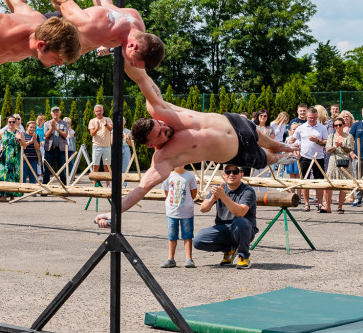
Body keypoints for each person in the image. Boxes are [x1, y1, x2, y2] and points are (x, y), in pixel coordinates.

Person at [94, 65, 296, 228]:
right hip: (237, 152)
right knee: (267, 158)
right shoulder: (163, 159)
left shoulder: (160, 110)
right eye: (161, 134)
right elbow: (140, 189)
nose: (166, 128)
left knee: (266, 140)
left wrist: (119, 51)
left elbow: (141, 77)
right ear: (151, 145)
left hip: (234, 123)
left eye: (161, 125)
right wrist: (112, 213)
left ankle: (282, 147)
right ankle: (280, 157)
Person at [36, 0, 165, 68]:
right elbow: (63, 2)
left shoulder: (136, 22)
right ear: (133, 46)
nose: (131, 64)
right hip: (54, 29)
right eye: (133, 62)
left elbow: (107, 4)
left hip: (65, 49)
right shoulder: (94, 26)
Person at [193, 164, 257, 269]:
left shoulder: (248, 191)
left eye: (235, 172)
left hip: (244, 229)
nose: (231, 175)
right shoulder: (219, 188)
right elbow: (203, 209)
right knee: (198, 241)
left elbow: (240, 212)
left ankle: (244, 256)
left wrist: (223, 196)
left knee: (240, 222)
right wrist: (213, 199)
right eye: (228, 172)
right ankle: (229, 249)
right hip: (224, 228)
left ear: (241, 175)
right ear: (224, 175)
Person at [161, 165, 198, 269]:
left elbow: (193, 193)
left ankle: (189, 258)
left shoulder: (190, 177)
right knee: (172, 234)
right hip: (172, 210)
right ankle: (171, 258)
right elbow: (166, 192)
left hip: (186, 210)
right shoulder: (168, 176)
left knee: (187, 234)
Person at [294, 107, 329, 212]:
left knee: (319, 182)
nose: (312, 120)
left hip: (319, 157)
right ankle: (306, 204)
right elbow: (294, 139)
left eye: (314, 118)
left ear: (317, 117)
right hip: (305, 157)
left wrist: (317, 141)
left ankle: (319, 203)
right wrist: (296, 150)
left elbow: (326, 141)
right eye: (309, 118)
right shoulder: (301, 128)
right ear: (306, 117)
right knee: (305, 181)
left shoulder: (322, 128)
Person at [325, 116, 355, 213]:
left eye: (340, 125)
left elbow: (350, 149)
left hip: (344, 161)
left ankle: (340, 207)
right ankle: (327, 206)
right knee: (328, 185)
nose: (338, 127)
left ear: (343, 125)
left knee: (343, 185)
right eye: (336, 125)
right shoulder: (331, 136)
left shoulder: (349, 136)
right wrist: (334, 147)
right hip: (333, 161)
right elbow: (327, 150)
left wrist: (342, 146)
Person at [0, 116, 25, 202]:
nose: (11, 124)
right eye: (10, 122)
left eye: (13, 122)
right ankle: (3, 196)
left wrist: (20, 140)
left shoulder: (19, 133)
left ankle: (12, 195)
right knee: (2, 175)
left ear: (16, 123)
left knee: (13, 176)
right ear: (7, 123)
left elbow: (24, 146)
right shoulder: (3, 132)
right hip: (4, 158)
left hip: (15, 158)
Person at [43, 106, 70, 185]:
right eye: (54, 112)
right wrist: (52, 128)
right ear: (51, 113)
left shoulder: (64, 123)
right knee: (47, 170)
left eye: (57, 111)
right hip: (49, 150)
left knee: (62, 170)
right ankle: (45, 189)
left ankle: (65, 189)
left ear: (59, 113)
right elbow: (46, 135)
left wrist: (57, 129)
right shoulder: (47, 123)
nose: (55, 113)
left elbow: (65, 135)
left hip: (60, 150)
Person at [87, 104, 113, 185]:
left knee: (107, 167)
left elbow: (111, 128)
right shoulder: (92, 121)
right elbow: (92, 134)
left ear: (103, 111)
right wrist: (97, 128)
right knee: (95, 166)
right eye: (97, 111)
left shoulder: (108, 119)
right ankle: (95, 185)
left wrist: (105, 125)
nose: (99, 112)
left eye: (100, 111)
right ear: (95, 112)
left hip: (107, 146)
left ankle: (108, 185)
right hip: (96, 146)